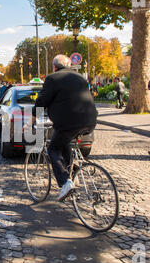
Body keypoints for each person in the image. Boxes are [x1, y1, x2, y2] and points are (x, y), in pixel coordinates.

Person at [28, 55, 98, 201]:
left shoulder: (53, 78)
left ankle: (65, 183)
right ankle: (73, 174)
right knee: (64, 142)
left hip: (68, 123)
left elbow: (42, 101)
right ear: (69, 65)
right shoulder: (80, 77)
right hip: (90, 120)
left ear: (54, 67)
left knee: (52, 149)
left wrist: (32, 120)